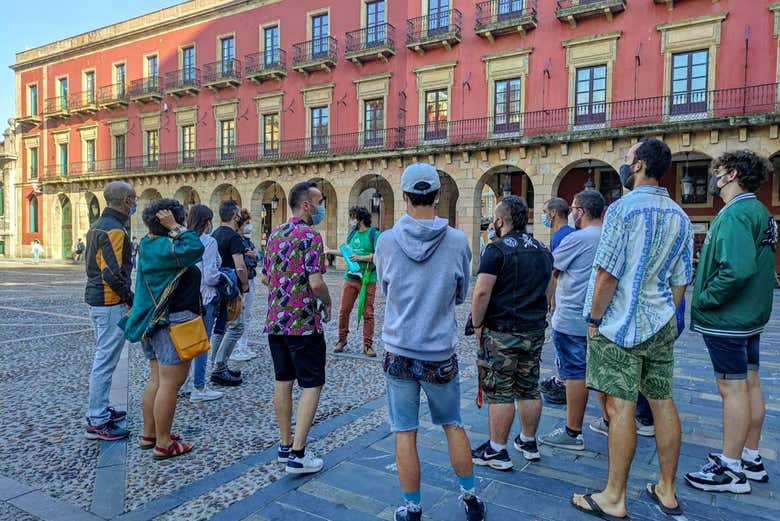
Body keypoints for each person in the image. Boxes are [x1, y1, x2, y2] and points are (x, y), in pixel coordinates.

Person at [572, 138, 693, 519]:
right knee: (662, 401)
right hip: (660, 322)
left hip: (619, 324)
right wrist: (666, 317)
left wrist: (593, 319)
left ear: (639, 165)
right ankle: (667, 490)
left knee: (621, 407)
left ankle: (614, 497)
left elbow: (607, 274)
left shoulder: (621, 211)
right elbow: (680, 280)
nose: (625, 167)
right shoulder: (680, 215)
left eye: (627, 160)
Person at [375, 163, 485, 521]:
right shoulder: (457, 241)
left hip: (400, 349)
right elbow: (459, 293)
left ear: (404, 196)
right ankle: (470, 498)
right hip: (439, 351)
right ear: (437, 195)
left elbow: (386, 290)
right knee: (453, 423)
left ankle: (412, 507)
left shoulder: (387, 241)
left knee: (404, 431)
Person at [685, 150, 776, 493]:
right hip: (749, 316)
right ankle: (750, 456)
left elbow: (737, 269)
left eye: (717, 171)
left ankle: (730, 467)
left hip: (728, 318)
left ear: (731, 174)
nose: (713, 177)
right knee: (750, 383)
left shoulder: (736, 214)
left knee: (732, 389)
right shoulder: (760, 211)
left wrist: (705, 297)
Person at [470, 195, 553, 469]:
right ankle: (528, 441)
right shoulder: (543, 249)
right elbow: (549, 292)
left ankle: (497, 450)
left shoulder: (496, 250)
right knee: (529, 386)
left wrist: (477, 323)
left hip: (502, 330)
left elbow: (482, 291)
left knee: (501, 390)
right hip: (534, 329)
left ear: (500, 220)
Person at [119, 199, 204, 460]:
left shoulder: (147, 244)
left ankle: (150, 434)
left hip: (152, 322)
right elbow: (195, 247)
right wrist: (176, 227)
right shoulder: (170, 246)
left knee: (156, 381)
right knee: (170, 385)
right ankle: (164, 443)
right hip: (172, 323)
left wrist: (171, 227)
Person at [261, 182, 332, 475]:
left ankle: (284, 445)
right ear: (306, 205)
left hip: (276, 321)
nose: (321, 207)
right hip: (302, 323)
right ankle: (299, 454)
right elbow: (316, 283)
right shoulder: (311, 237)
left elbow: (265, 278)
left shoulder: (275, 234)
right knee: (312, 384)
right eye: (319, 201)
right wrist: (327, 303)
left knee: (283, 380)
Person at [538, 190, 604, 452]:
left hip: (573, 316)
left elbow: (551, 270)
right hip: (600, 319)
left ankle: (572, 431)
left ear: (580, 211)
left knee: (574, 373)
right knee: (598, 372)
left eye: (574, 207)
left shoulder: (578, 238)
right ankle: (609, 420)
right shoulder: (610, 236)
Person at [84, 181, 136, 440]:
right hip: (108, 301)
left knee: (104, 358)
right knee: (105, 361)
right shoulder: (115, 230)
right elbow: (112, 272)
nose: (134, 203)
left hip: (97, 299)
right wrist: (130, 297)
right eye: (133, 199)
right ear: (126, 200)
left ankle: (101, 408)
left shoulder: (97, 226)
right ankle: (97, 419)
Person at [183, 204, 224, 403]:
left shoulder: (183, 238)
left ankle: (182, 384)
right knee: (201, 344)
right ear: (206, 221)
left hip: (185, 298)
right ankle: (199, 387)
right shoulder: (208, 241)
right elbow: (209, 276)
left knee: (186, 343)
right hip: (205, 298)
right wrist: (224, 277)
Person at [209, 200, 249, 387]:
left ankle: (216, 364)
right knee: (237, 327)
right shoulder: (234, 238)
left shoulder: (215, 234)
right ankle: (219, 367)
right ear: (235, 217)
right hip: (232, 288)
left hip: (219, 287)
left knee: (221, 326)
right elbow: (240, 266)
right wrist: (245, 285)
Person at [540, 197, 575, 403]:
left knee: (562, 343)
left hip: (564, 296)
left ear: (553, 213)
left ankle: (563, 383)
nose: (544, 216)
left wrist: (550, 301)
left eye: (545, 212)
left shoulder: (560, 236)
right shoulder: (570, 233)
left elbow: (555, 272)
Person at [334, 206, 379, 357]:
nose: (351, 220)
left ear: (360, 219)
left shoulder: (374, 234)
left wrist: (362, 258)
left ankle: (367, 345)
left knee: (368, 312)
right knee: (343, 311)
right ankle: (341, 340)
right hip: (350, 278)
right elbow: (346, 252)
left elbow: (380, 255)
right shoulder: (352, 234)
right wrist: (329, 251)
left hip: (368, 279)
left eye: (353, 217)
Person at [232, 210, 260, 362]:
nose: (250, 226)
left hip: (250, 277)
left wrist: (256, 255)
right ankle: (237, 347)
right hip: (242, 279)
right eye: (247, 223)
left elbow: (259, 255)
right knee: (238, 314)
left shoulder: (248, 241)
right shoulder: (237, 241)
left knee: (247, 315)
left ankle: (243, 345)